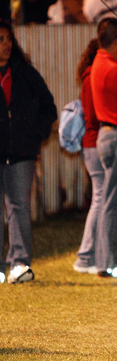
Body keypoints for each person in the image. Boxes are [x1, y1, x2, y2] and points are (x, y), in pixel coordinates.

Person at [0, 19, 57, 284]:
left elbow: (48, 107)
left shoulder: (25, 73)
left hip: (21, 153)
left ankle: (19, 264)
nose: (6, 45)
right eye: (0, 40)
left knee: (19, 208)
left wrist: (37, 135)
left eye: (8, 39)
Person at [91, 18, 117, 278]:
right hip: (116, 136)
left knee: (108, 201)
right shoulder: (114, 69)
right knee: (116, 203)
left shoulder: (98, 63)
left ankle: (104, 259)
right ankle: (112, 261)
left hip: (105, 134)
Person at [72, 38, 101, 274]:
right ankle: (86, 255)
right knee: (101, 199)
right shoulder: (93, 78)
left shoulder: (89, 76)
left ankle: (89, 254)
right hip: (94, 142)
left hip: (92, 143)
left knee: (100, 199)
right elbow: (92, 117)